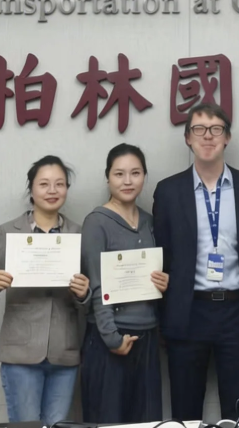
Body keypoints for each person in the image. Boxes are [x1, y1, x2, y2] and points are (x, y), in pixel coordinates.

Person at [153, 102, 239, 422]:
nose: (208, 136)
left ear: (227, 137)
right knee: (185, 410)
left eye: (216, 129)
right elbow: (162, 251)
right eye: (199, 129)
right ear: (187, 138)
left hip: (237, 311)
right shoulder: (168, 191)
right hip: (188, 311)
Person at [0, 155, 90, 425]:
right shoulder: (8, 231)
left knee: (57, 426)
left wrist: (84, 293)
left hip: (64, 353)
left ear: (67, 189)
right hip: (20, 353)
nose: (52, 190)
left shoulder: (79, 234)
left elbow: (89, 295)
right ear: (31, 189)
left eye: (59, 184)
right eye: (44, 184)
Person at [80, 143, 169, 424]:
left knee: (146, 421)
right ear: (107, 177)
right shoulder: (96, 222)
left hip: (147, 336)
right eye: (119, 174)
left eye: (135, 173)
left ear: (145, 176)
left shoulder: (150, 222)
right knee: (108, 420)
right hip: (110, 338)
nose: (128, 181)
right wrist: (112, 338)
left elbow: (158, 272)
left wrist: (164, 281)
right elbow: (97, 285)